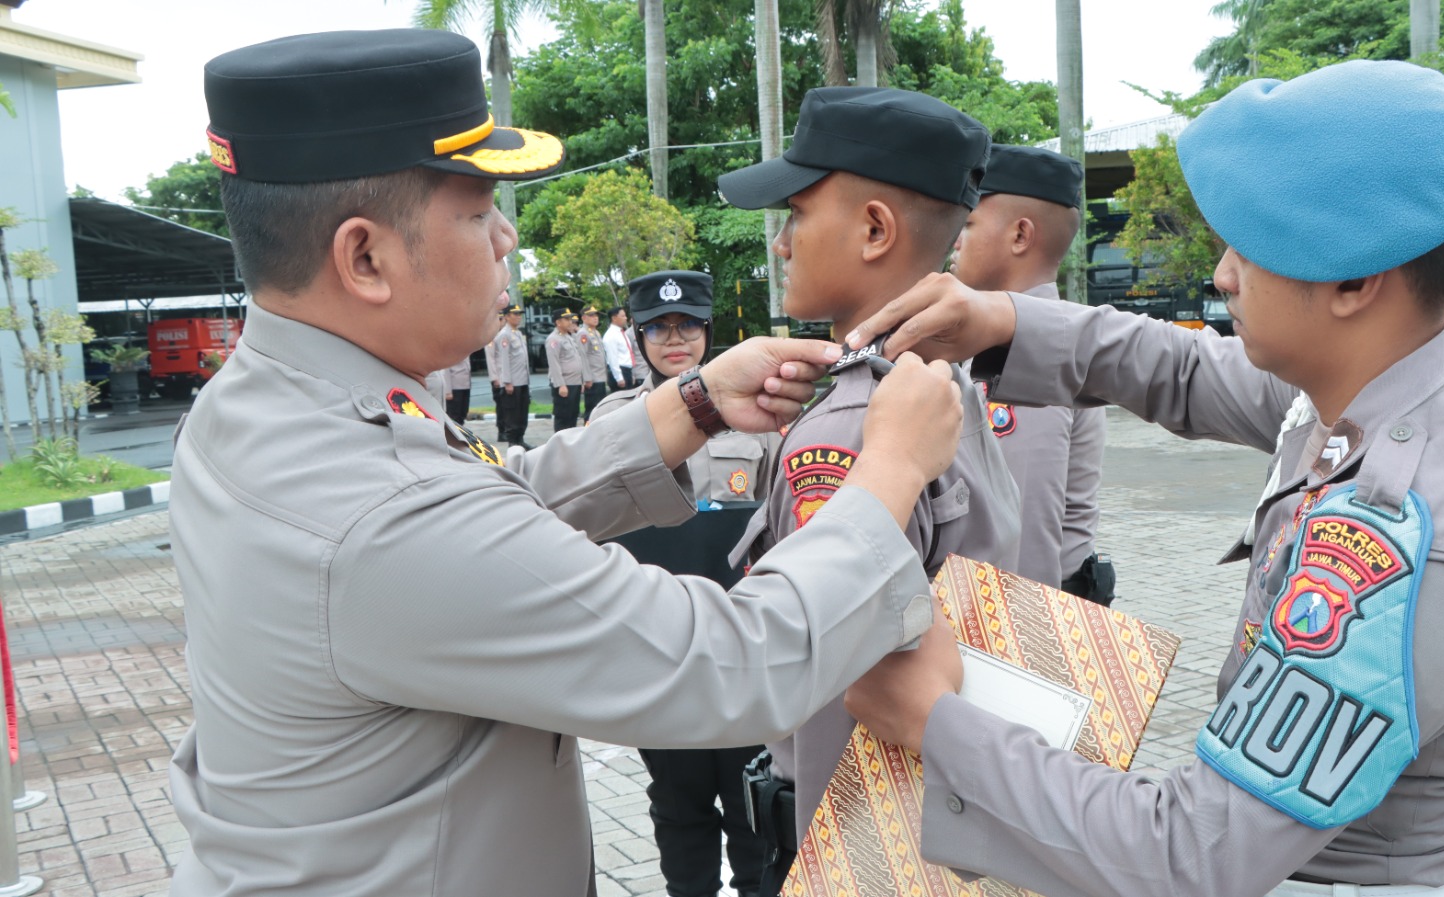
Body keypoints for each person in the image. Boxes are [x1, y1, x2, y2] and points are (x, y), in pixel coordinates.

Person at [173, 28, 971, 897]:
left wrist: (691, 404)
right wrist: (890, 468)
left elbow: (490, 509)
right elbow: (724, 664)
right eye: (477, 211)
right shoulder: (376, 510)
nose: (507, 237)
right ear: (365, 257)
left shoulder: (265, 400)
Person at [841, 60, 1444, 896]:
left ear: (1355, 282)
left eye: (1251, 247)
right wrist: (1001, 318)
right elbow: (1187, 368)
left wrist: (937, 722)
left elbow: (1190, 852)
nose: (1223, 273)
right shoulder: (1388, 374)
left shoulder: (1421, 538)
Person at [717, 85, 1021, 897]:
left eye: (798, 214)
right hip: (951, 823)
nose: (781, 243)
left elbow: (832, 684)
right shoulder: (940, 381)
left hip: (861, 847)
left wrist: (830, 872)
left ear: (875, 229)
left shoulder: (849, 427)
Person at [591, 271, 776, 897]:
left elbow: (781, 528)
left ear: (707, 333)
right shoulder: (613, 421)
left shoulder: (757, 416)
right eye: (660, 329)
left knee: (755, 807)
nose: (676, 340)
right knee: (679, 807)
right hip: (659, 650)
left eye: (689, 326)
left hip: (740, 648)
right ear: (638, 337)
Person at [947, 143, 1113, 598]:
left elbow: (1024, 531)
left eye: (968, 224)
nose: (954, 240)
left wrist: (1014, 651)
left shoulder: (1030, 351)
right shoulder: (1040, 340)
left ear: (1020, 236)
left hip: (1025, 608)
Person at [492, 305, 531, 448]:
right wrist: (507, 382)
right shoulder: (504, 335)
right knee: (512, 414)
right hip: (512, 382)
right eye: (515, 314)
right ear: (507, 316)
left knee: (522, 413)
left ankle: (520, 440)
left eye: (519, 314)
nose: (518, 317)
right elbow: (504, 360)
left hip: (522, 380)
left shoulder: (518, 334)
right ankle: (513, 442)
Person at [546, 308, 584, 430]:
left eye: (570, 319)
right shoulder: (554, 339)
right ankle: (560, 444)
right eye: (567, 319)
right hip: (565, 383)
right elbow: (554, 364)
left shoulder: (568, 337)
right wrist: (560, 384)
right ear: (558, 322)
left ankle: (570, 443)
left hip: (574, 382)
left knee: (573, 414)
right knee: (563, 416)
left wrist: (581, 381)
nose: (570, 322)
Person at [578, 305, 609, 420]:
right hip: (593, 378)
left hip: (600, 376)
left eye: (596, 315)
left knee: (600, 409)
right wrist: (587, 378)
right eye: (591, 315)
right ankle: (588, 432)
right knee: (591, 410)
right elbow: (583, 356)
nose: (595, 318)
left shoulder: (595, 333)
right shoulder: (583, 334)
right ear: (584, 318)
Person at [485, 304, 506, 440]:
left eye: (502, 319)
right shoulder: (491, 337)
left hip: (506, 376)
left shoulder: (505, 335)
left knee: (507, 406)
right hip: (499, 377)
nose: (501, 322)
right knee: (501, 405)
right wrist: (494, 378)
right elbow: (490, 359)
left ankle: (506, 429)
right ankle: (501, 430)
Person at [603, 305, 636, 389]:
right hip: (620, 371)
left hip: (627, 371)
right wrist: (619, 378)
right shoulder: (611, 335)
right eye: (622, 316)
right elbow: (612, 358)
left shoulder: (622, 333)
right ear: (614, 318)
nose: (625, 318)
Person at [439, 354, 472, 425]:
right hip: (455, 387)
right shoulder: (451, 347)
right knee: (454, 416)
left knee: (463, 413)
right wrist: (448, 391)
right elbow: (446, 370)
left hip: (465, 385)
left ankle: (460, 433)